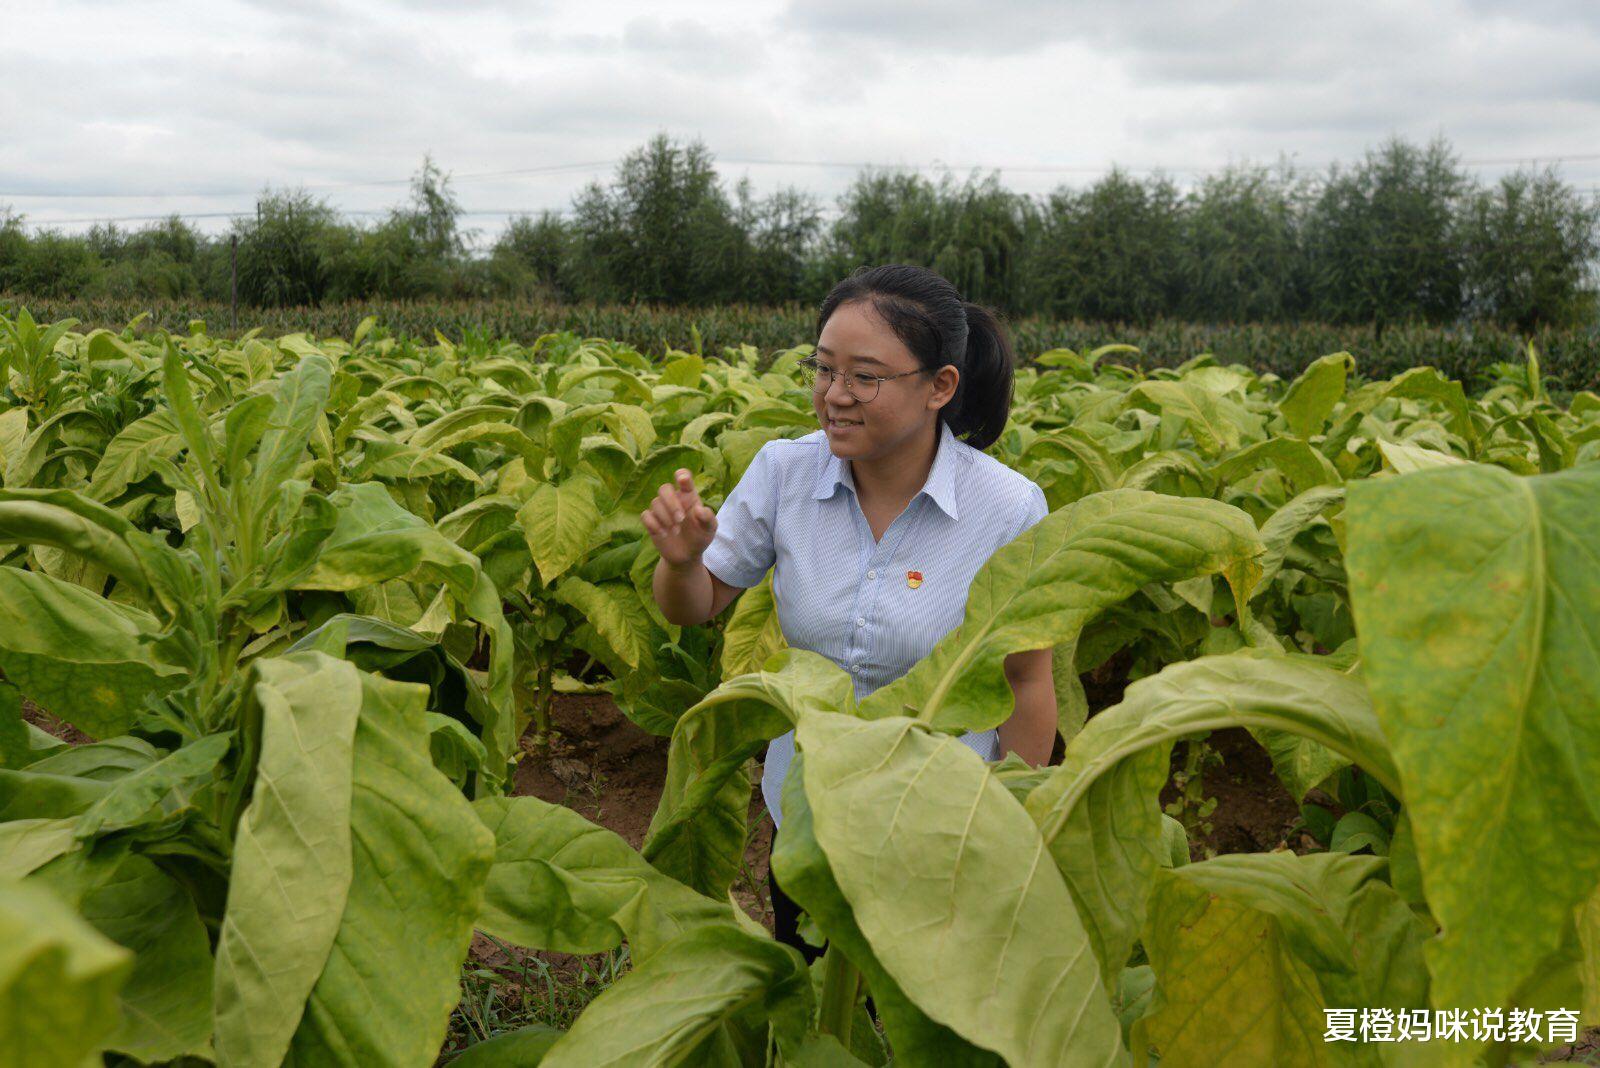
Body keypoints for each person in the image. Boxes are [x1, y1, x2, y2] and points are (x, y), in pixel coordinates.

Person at [640, 263, 1057, 965]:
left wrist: (1010, 823)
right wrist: (681, 561)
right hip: (807, 806)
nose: (835, 395)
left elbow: (1026, 680)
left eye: (865, 377)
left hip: (941, 816)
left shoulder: (1008, 508)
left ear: (940, 386)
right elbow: (697, 606)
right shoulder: (784, 472)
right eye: (824, 369)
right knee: (810, 991)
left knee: (922, 1000)